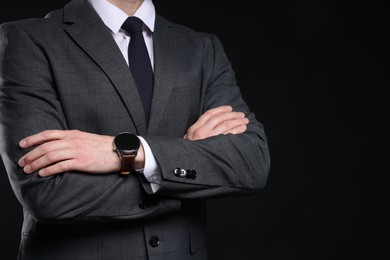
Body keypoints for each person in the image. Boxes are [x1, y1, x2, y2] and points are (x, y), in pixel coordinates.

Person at [0, 0, 270, 259]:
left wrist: (129, 152)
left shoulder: (202, 49)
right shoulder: (27, 39)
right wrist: (181, 165)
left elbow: (251, 163)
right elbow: (46, 193)